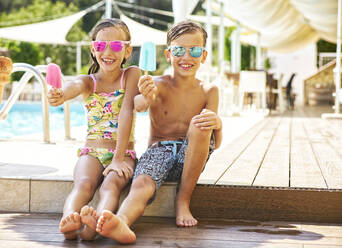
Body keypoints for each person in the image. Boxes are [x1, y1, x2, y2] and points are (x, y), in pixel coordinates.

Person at [95, 20, 223, 244]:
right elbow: (139, 106)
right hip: (158, 151)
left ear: (203, 55)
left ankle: (182, 201)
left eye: (194, 50)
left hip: (190, 158)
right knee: (142, 183)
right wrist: (145, 95)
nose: (186, 57)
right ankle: (122, 222)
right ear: (167, 54)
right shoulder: (157, 84)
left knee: (200, 123)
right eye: (178, 50)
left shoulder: (209, 91)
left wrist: (218, 123)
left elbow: (216, 142)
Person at [47, 18, 140, 240]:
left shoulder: (132, 75)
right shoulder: (89, 81)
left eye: (116, 45)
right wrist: (60, 95)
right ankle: (69, 219)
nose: (108, 51)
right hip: (92, 152)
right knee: (84, 185)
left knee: (110, 186)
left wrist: (118, 158)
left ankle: (96, 224)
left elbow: (127, 112)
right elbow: (73, 87)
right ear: (93, 49)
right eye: (100, 45)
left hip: (123, 153)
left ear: (127, 50)